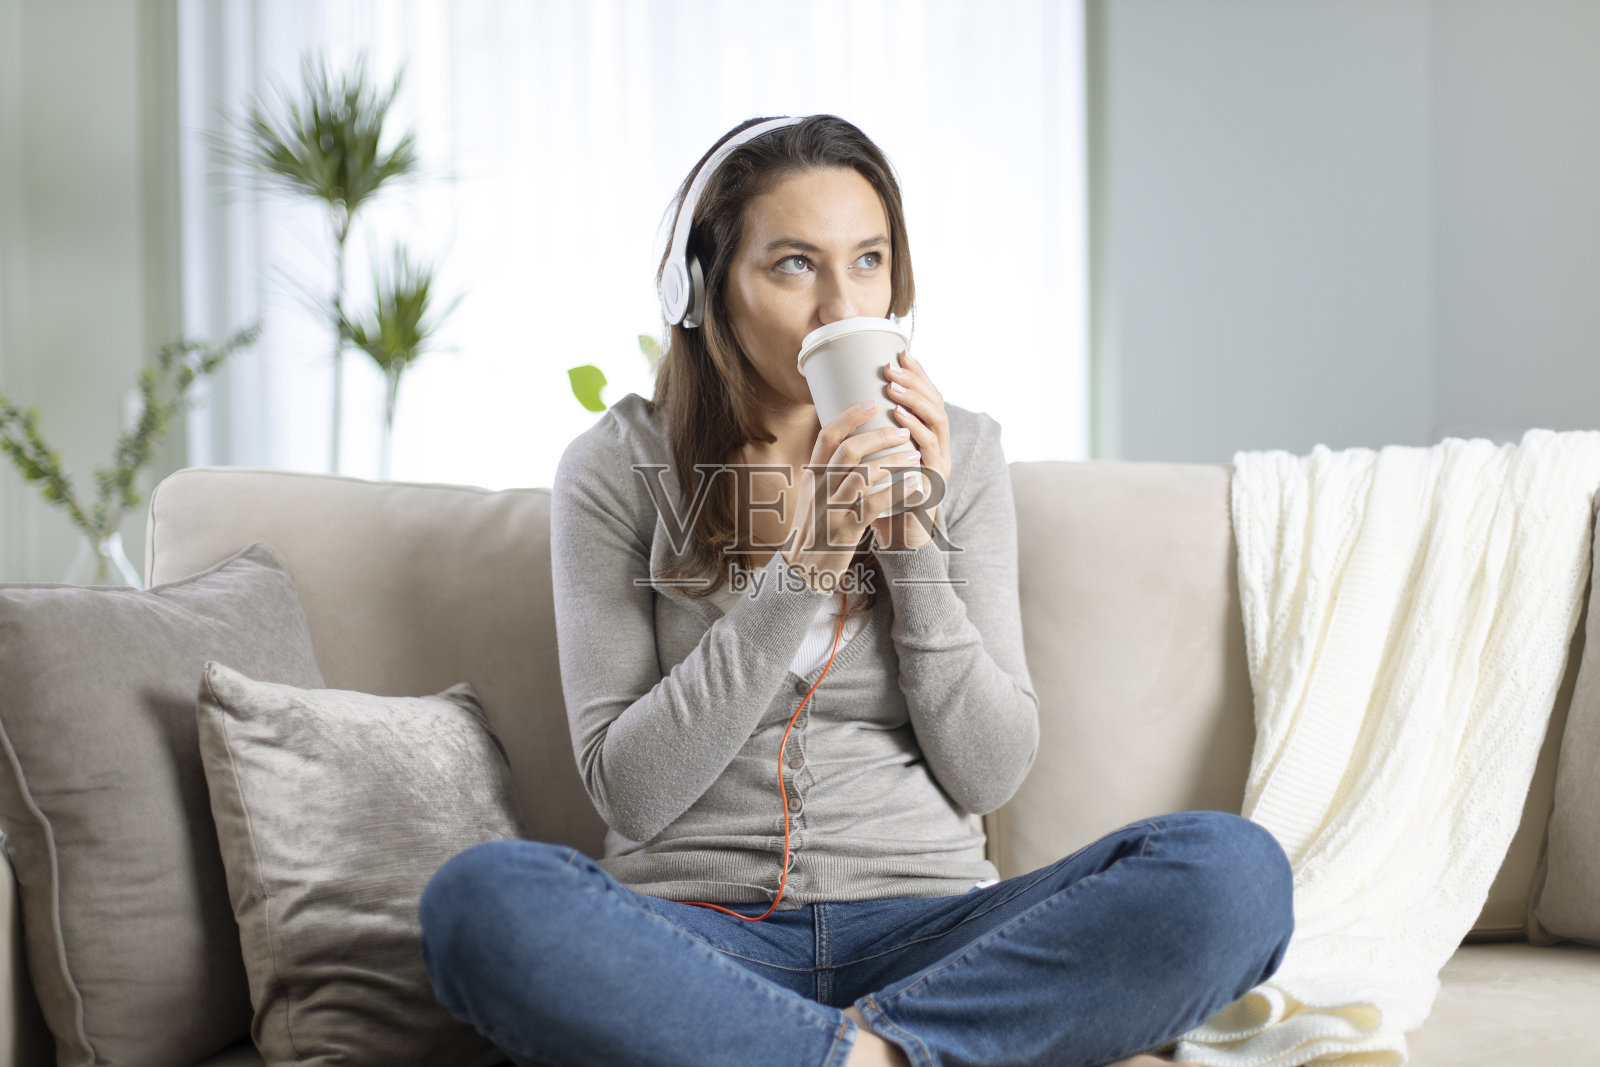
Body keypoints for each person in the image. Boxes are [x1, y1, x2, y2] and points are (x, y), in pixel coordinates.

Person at [419, 114, 1293, 1067]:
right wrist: (810, 559)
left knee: (1233, 875)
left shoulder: (966, 450)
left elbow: (990, 771)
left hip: (934, 935)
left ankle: (847, 1053)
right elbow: (631, 791)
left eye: (868, 261)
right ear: (703, 289)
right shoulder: (619, 467)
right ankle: (913, 1055)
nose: (842, 308)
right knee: (480, 902)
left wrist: (909, 534)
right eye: (795, 264)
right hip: (703, 943)